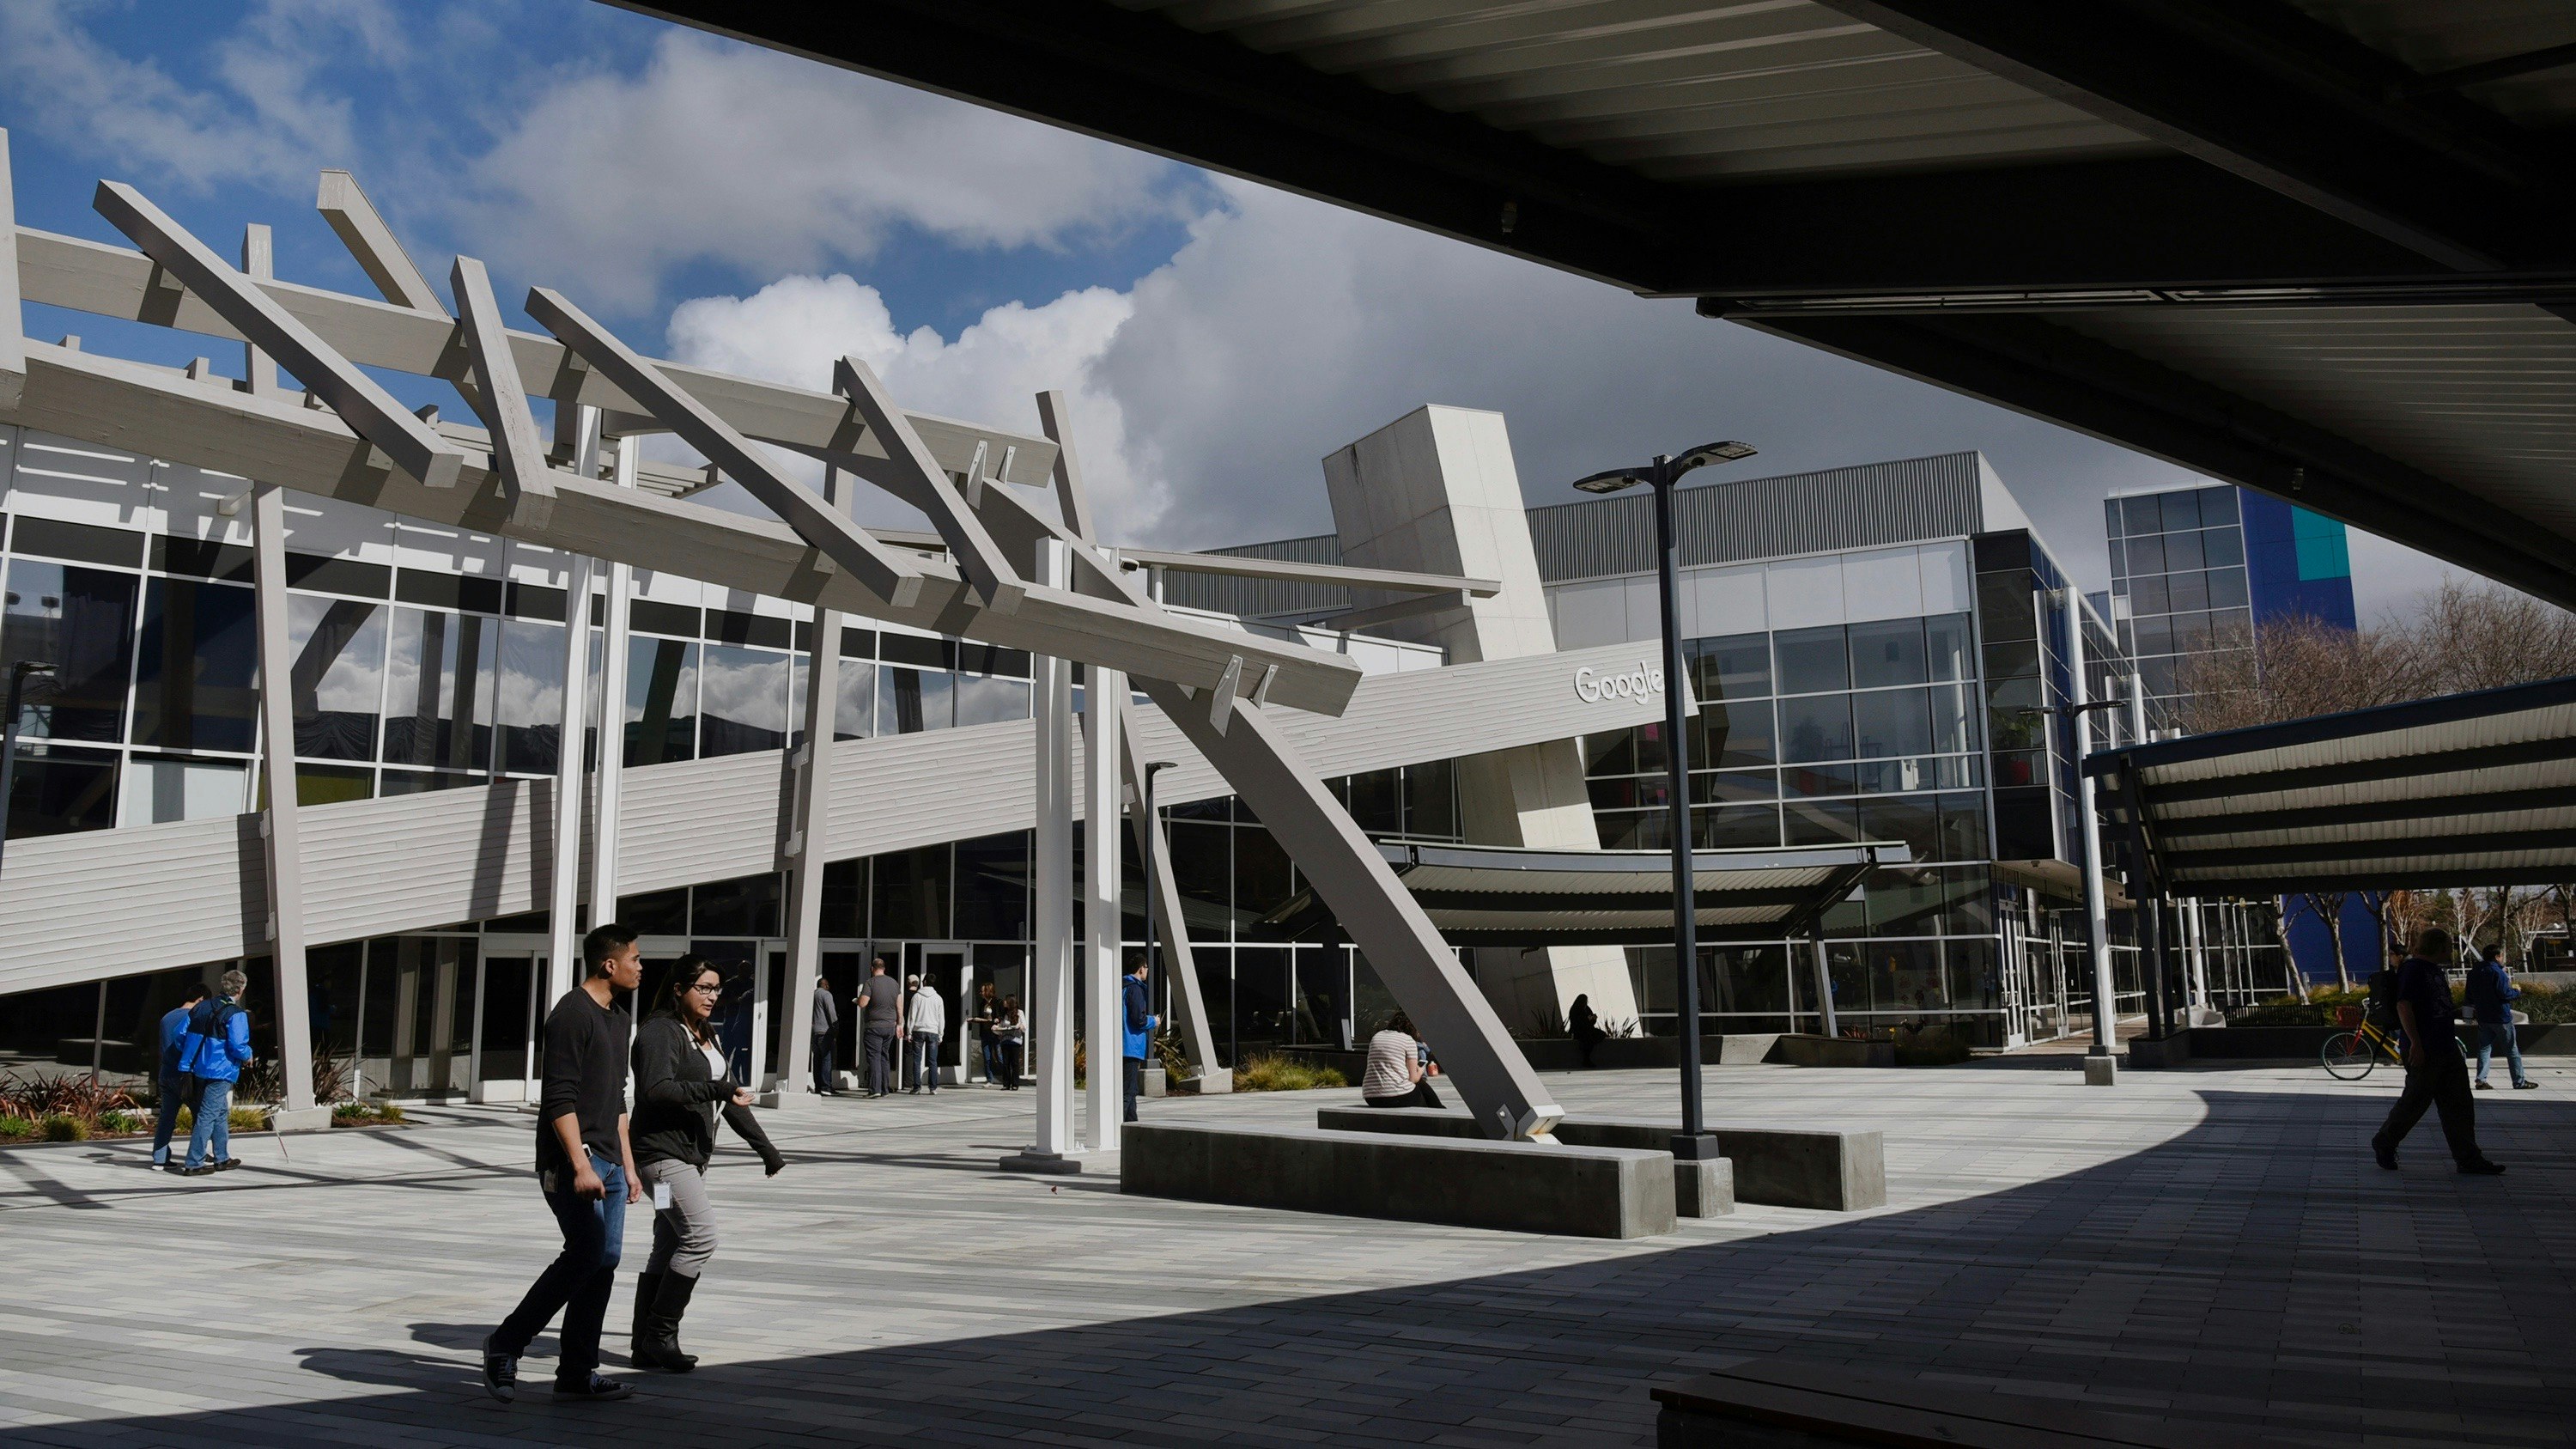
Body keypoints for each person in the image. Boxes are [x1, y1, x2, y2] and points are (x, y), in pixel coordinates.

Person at [483, 922, 645, 1404]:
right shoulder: (571, 1015)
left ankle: (576, 1372)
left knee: (604, 1260)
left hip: (611, 1163)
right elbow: (559, 1097)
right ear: (608, 964)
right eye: (634, 959)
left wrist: (629, 1167)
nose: (641, 967)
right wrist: (579, 1164)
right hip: (574, 1163)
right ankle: (506, 1344)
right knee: (585, 1254)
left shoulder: (617, 1018)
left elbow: (617, 1099)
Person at [629, 956, 786, 1373]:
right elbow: (654, 1090)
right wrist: (714, 1088)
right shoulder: (661, 1031)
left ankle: (643, 1345)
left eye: (717, 989)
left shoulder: (703, 1033)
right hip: (662, 1157)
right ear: (679, 989)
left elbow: (728, 1096)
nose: (713, 996)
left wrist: (765, 1148)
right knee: (700, 1237)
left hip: (688, 1159)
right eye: (704, 988)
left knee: (668, 1243)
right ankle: (660, 1335)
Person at [2371, 928, 2505, 1176]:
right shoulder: (2413, 969)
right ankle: (2385, 1140)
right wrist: (2416, 1043)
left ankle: (2468, 1158)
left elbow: (2434, 1007)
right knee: (2415, 1101)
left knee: (2459, 1103)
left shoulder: (2435, 971)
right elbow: (2403, 1005)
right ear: (2438, 946)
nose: (2451, 950)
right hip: (2426, 1049)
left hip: (2446, 1046)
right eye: (2448, 945)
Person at [178, 970, 253, 1176]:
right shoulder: (236, 1014)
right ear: (240, 989)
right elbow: (238, 1045)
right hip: (220, 1070)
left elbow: (181, 1034)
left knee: (219, 1112)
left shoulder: (201, 1006)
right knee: (208, 1115)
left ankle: (222, 1158)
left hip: (198, 1068)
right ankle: (194, 1162)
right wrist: (248, 1054)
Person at [150, 982, 210, 1171]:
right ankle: (197, 1154)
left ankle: (160, 1158)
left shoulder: (166, 1017)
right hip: (186, 1075)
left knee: (167, 1117)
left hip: (166, 1072)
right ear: (201, 1000)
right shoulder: (194, 1017)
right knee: (200, 1115)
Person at [2465, 944, 2537, 1092]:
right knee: (2511, 1050)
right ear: (2497, 957)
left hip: (2483, 1017)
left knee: (2484, 1048)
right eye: (2502, 956)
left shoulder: (2474, 972)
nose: (2503, 958)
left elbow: (2469, 995)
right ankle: (2519, 1081)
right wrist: (2516, 991)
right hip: (2501, 1017)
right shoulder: (2498, 973)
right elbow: (2504, 994)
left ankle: (2481, 1080)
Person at [1361, 1013, 1443, 1110]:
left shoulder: (1377, 1036)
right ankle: (1440, 1110)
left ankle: (1439, 1108)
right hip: (1397, 1096)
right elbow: (1413, 1079)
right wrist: (1421, 1070)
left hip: (1371, 1097)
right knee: (1421, 1084)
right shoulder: (1408, 1040)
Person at [857, 958, 904, 1098]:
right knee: (884, 1056)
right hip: (890, 1026)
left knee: (874, 1057)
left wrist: (857, 1000)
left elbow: (863, 1003)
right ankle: (884, 1088)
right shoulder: (894, 983)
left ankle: (874, 1089)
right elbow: (899, 1006)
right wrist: (899, 1024)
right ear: (884, 968)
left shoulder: (870, 983)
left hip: (874, 1026)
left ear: (872, 968)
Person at [1121, 955, 1157, 1124]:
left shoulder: (1121, 986)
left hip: (1121, 1045)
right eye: (1147, 968)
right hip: (1130, 1046)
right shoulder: (1135, 989)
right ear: (1141, 969)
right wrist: (1153, 1021)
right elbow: (1138, 1019)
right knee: (1128, 1091)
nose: (1147, 971)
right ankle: (1117, 1126)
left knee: (1131, 1089)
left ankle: (1131, 1126)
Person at [907, 974, 945, 1095]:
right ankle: (933, 1087)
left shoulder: (917, 997)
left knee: (917, 1060)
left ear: (924, 982)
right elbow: (941, 1018)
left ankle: (917, 1087)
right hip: (933, 1031)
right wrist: (941, 1034)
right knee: (933, 1060)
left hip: (918, 1030)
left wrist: (909, 1031)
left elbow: (912, 1016)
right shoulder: (938, 998)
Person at [809, 976, 839, 1095]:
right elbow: (831, 1012)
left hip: (814, 1032)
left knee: (817, 1060)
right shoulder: (826, 995)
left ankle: (818, 1087)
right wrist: (835, 1027)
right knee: (827, 1059)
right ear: (825, 985)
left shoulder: (813, 995)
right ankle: (826, 1087)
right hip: (825, 1032)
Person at [971, 981, 1004, 1087]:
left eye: (982, 991)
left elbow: (1001, 1016)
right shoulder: (982, 1004)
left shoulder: (998, 1002)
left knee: (999, 1057)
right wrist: (975, 1019)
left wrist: (997, 1019)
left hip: (995, 1033)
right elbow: (982, 1018)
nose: (980, 993)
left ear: (988, 991)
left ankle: (1008, 1077)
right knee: (987, 1057)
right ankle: (989, 1080)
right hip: (985, 1033)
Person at [994, 995, 1026, 1089]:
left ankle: (1015, 1084)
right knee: (1005, 1063)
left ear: (1010, 1002)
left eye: (1006, 1000)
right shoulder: (1004, 1013)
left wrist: (1020, 1026)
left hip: (1015, 1041)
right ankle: (1006, 1084)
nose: (1004, 1002)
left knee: (1015, 1063)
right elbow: (1001, 1027)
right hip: (1005, 1041)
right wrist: (996, 1027)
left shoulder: (1020, 1013)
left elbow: (1024, 1026)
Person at [1568, 993, 1605, 1069]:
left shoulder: (1587, 1008)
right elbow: (1577, 1023)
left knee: (1601, 1034)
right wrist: (1588, 1020)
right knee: (1589, 1038)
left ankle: (1587, 1058)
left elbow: (1590, 1022)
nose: (1586, 1003)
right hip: (1579, 1031)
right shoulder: (1575, 1009)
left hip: (1588, 1029)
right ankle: (1586, 1059)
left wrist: (1593, 1019)